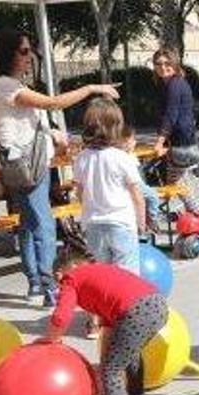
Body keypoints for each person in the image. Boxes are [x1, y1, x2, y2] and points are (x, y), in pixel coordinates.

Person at [0, 28, 119, 306]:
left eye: (31, 51)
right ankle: (50, 287)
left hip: (22, 163)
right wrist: (93, 88)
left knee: (28, 222)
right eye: (24, 51)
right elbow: (53, 103)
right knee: (44, 224)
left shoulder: (11, 86)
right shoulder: (6, 87)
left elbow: (31, 123)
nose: (30, 57)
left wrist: (55, 136)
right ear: (7, 54)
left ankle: (36, 282)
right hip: (28, 166)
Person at [41, 248, 167, 395]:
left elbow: (61, 316)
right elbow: (110, 327)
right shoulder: (99, 271)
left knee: (112, 370)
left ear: (58, 274)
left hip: (136, 311)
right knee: (127, 354)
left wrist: (49, 340)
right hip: (157, 304)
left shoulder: (70, 278)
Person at [73, 98, 145, 275]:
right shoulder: (122, 158)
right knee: (127, 275)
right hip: (122, 222)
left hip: (93, 224)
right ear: (116, 128)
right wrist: (141, 221)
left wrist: (89, 208)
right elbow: (137, 195)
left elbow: (80, 192)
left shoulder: (81, 158)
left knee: (102, 276)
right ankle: (127, 303)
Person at [152, 48, 199, 215]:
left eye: (167, 63)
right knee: (179, 182)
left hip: (182, 143)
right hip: (183, 141)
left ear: (174, 64)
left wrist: (159, 142)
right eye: (158, 64)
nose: (162, 67)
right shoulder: (171, 84)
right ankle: (192, 214)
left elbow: (171, 115)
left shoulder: (175, 84)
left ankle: (195, 215)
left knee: (175, 183)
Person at [119, 125, 161, 233]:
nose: (135, 142)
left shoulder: (129, 154)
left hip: (136, 183)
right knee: (153, 196)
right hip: (134, 185)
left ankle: (147, 218)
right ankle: (152, 219)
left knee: (148, 197)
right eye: (132, 140)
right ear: (124, 142)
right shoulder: (124, 156)